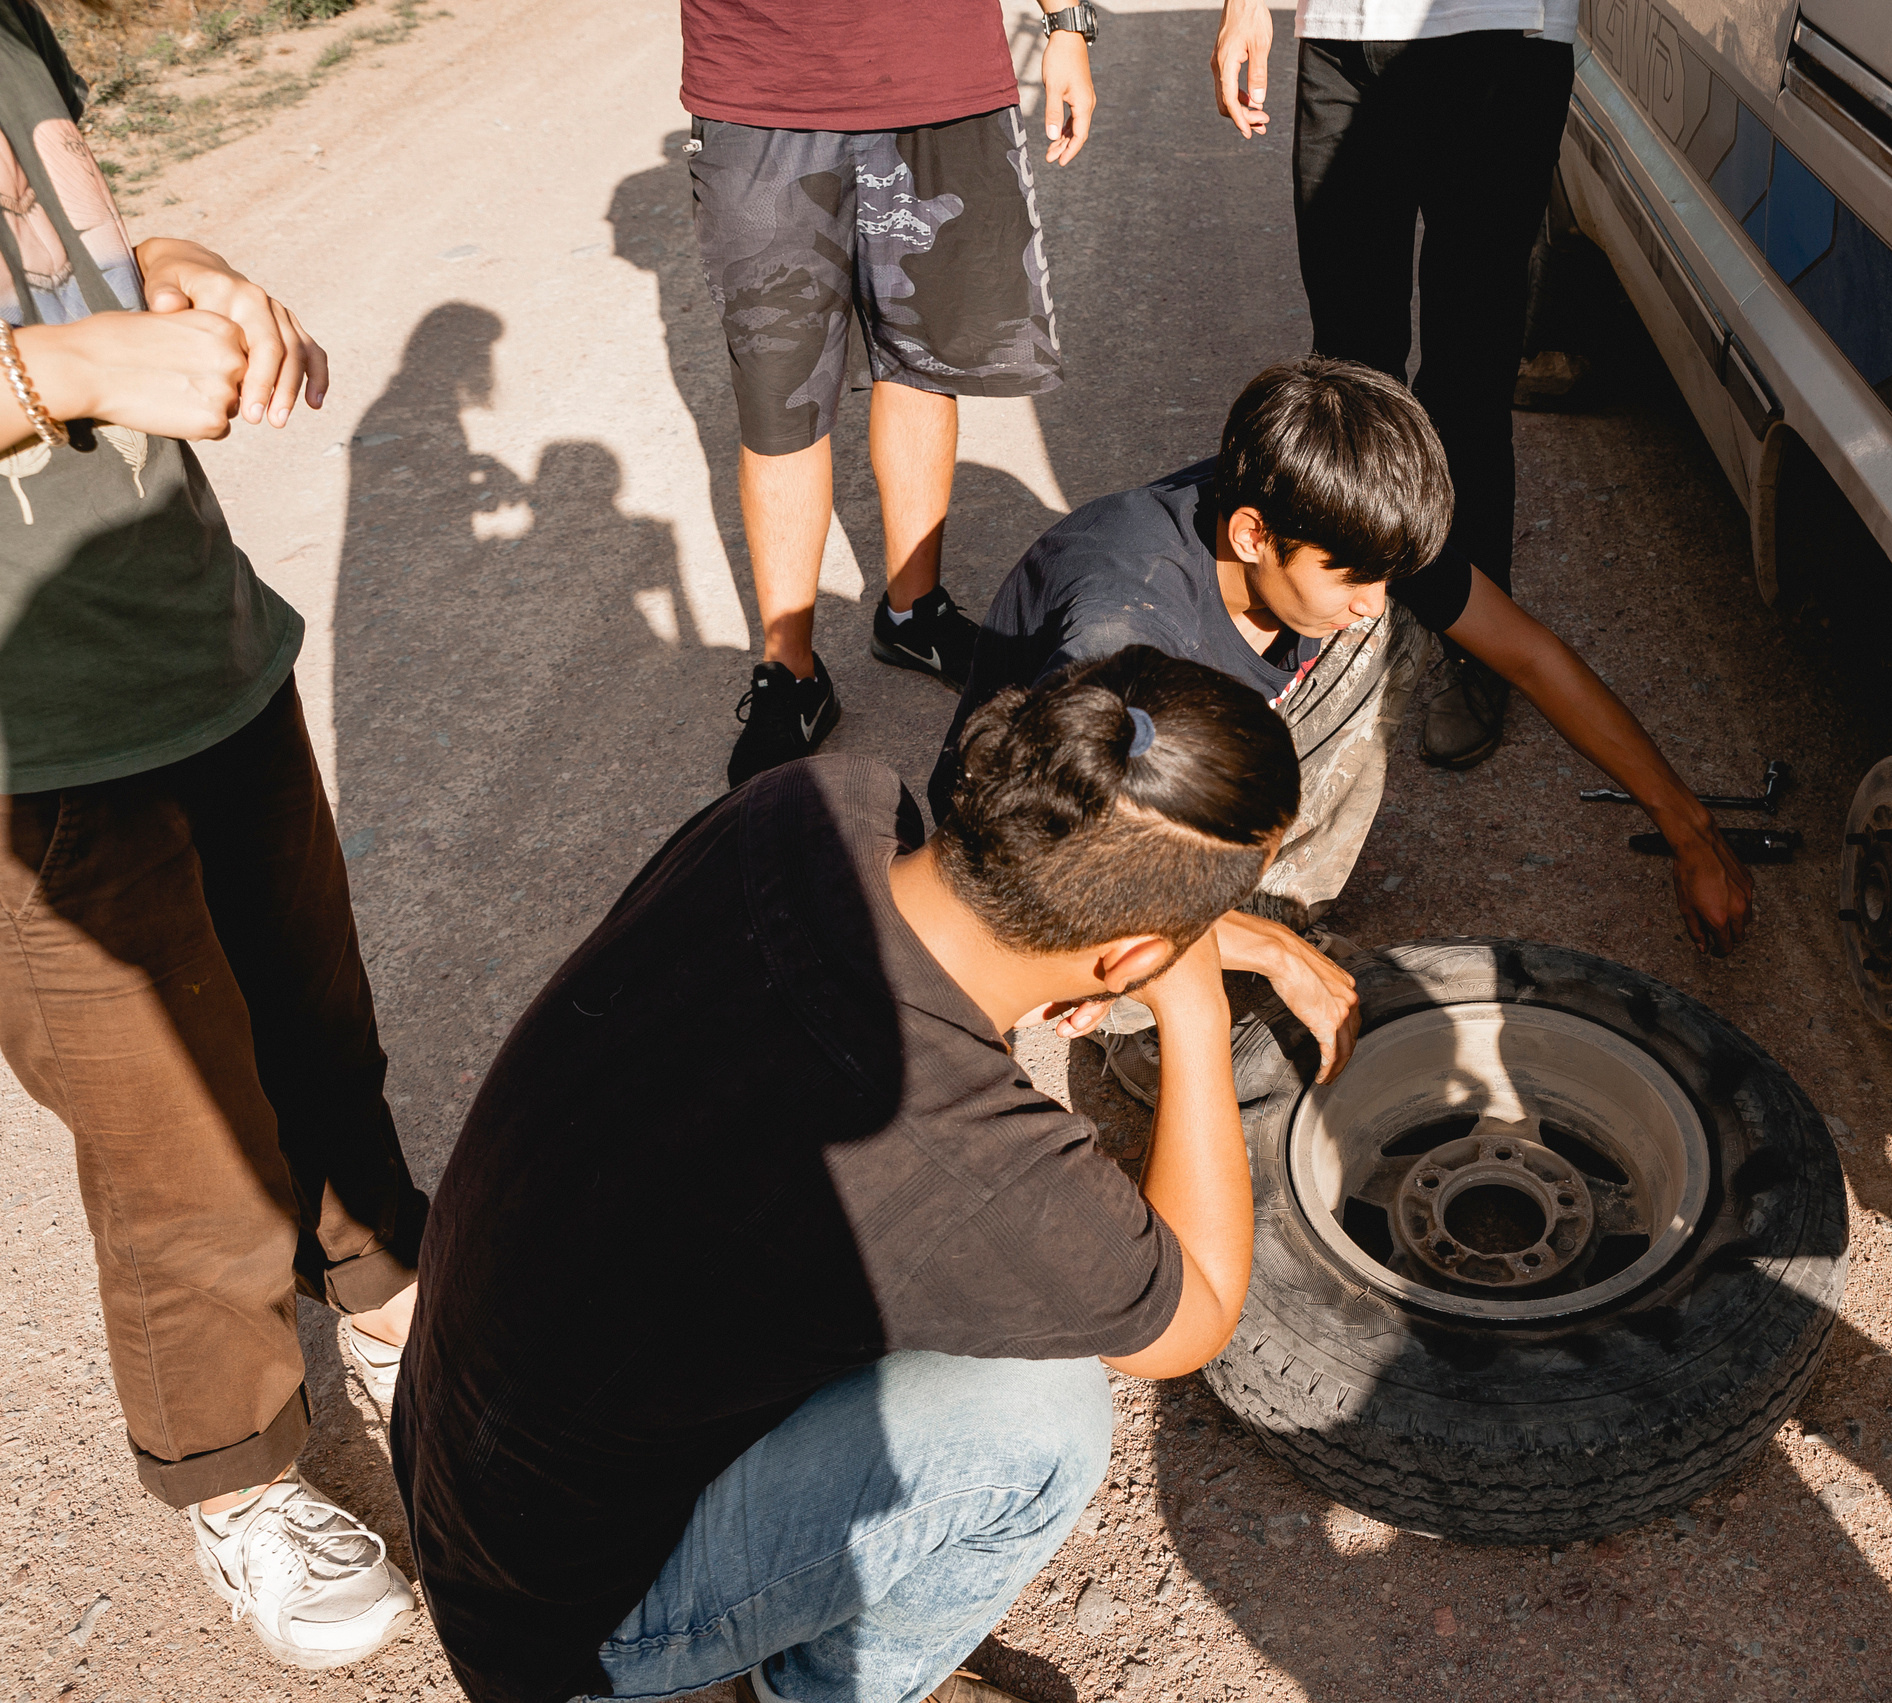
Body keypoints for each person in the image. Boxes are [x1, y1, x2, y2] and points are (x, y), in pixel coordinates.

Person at [392, 649, 1291, 1703]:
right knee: (1045, 1421)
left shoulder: (812, 801)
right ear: (1128, 958)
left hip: (465, 1448)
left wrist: (1132, 949)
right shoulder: (961, 1151)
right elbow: (1198, 1313)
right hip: (571, 1623)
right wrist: (1196, 1005)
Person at [0, 0, 425, 1671]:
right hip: (31, 739)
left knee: (319, 1030)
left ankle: (388, 1302)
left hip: (192, 633)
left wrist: (170, 264)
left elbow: (59, 241)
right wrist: (55, 374)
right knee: (179, 1144)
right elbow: (44, 340)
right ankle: (231, 1470)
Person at [929, 357, 1752, 1103]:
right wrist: (1273, 959)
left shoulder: (1333, 521)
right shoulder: (1125, 635)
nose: (1373, 596)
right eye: (1355, 577)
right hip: (1052, 841)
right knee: (1153, 998)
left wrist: (1690, 828)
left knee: (1395, 632)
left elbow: (1531, 657)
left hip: (1151, 779)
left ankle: (1273, 906)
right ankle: (1145, 1007)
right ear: (1253, 534)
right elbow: (1057, 873)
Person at [686, 0, 1104, 787]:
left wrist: (1066, 23)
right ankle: (792, 668)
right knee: (781, 394)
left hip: (935, 72)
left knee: (924, 357)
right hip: (760, 82)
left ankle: (915, 613)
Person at [1211, 0, 1578, 768]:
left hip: (1497, 35)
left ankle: (1474, 646)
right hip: (1343, 35)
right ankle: (1345, 624)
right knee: (1347, 373)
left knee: (1467, 378)